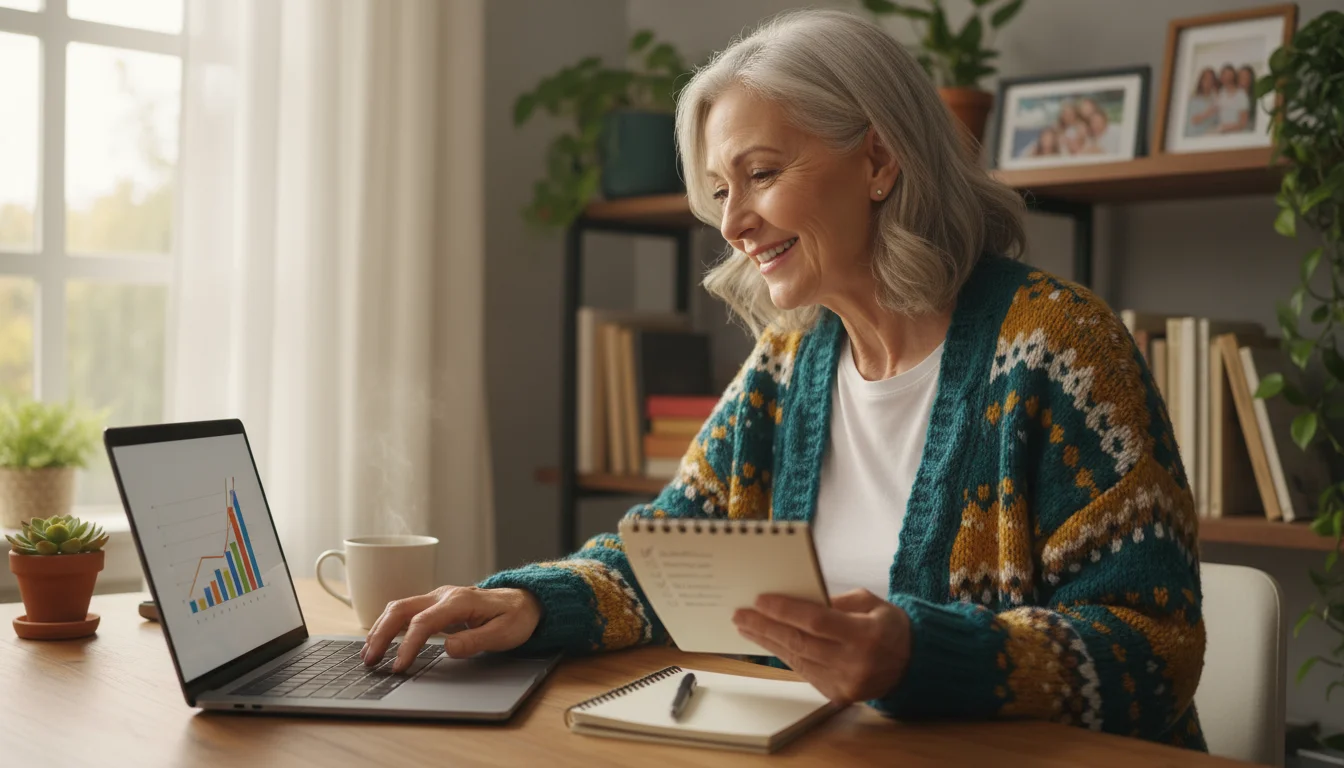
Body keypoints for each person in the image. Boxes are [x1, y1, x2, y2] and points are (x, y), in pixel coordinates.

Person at [362, 8, 1205, 751]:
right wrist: (536, 605)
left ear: (878, 161)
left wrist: (923, 654)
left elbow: (1155, 651)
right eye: (722, 190)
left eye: (761, 175)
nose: (732, 223)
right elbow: (669, 553)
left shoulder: (1057, 348)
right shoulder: (792, 362)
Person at [1216, 63, 1251, 133]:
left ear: (1233, 77)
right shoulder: (1220, 94)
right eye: (1224, 75)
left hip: (1237, 136)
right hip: (1221, 135)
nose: (1226, 79)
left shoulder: (1241, 95)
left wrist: (1225, 128)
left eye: (1229, 76)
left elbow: (1243, 124)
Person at [1185, 68, 1221, 137]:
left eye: (1211, 79)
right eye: (1206, 79)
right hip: (1194, 137)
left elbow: (1217, 122)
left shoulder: (1215, 100)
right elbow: (1193, 121)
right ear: (1201, 81)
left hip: (1209, 138)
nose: (1208, 82)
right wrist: (1207, 113)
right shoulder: (1193, 99)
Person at [1237, 65, 1258, 132]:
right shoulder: (1234, 95)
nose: (1244, 79)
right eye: (1241, 76)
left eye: (1246, 76)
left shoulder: (1255, 97)